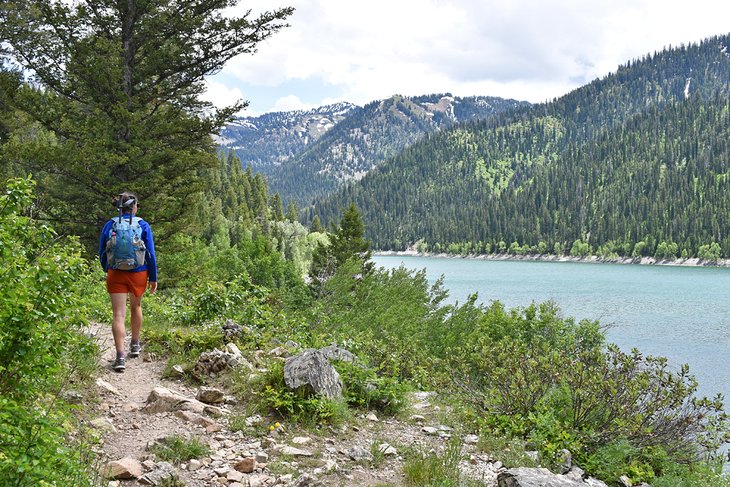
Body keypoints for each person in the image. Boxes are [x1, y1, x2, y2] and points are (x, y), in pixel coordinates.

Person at [98, 192, 158, 372]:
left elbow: (102, 251)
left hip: (115, 273)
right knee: (136, 307)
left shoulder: (110, 224)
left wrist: (107, 269)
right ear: (134, 207)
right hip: (138, 273)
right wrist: (153, 277)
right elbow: (151, 254)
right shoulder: (142, 225)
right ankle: (135, 344)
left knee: (118, 315)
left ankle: (120, 356)